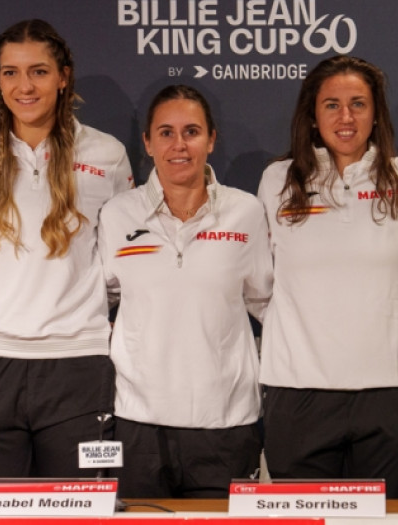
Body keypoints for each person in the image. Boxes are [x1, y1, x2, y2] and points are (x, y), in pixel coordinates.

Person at [0, 19, 132, 491]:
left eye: (39, 72)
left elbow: (123, 256)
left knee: (81, 512)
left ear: (64, 76)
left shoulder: (107, 153)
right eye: (10, 72)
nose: (24, 86)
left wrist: (79, 303)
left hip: (79, 363)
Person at [256, 55, 398, 499]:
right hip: (298, 391)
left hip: (389, 389)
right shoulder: (278, 179)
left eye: (358, 104)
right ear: (312, 114)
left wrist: (383, 305)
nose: (345, 117)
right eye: (332, 104)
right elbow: (259, 279)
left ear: (376, 114)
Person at [98, 84, 272, 498]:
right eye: (166, 133)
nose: (179, 145)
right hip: (138, 422)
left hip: (227, 423)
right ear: (147, 142)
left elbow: (267, 303)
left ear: (211, 139)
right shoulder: (117, 214)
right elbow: (98, 303)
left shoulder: (246, 212)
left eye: (192, 132)